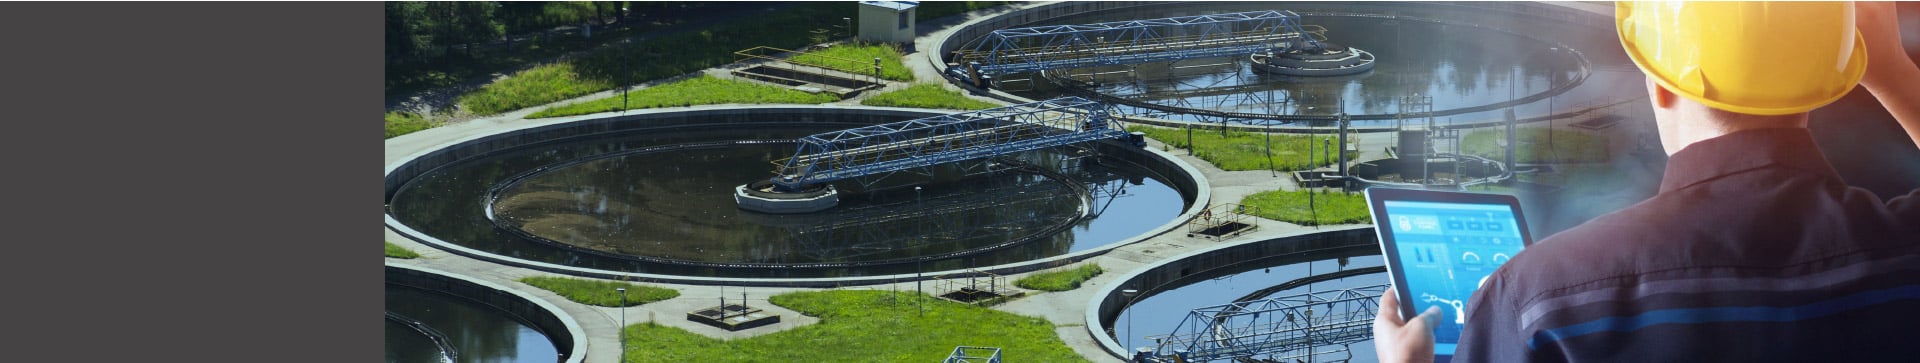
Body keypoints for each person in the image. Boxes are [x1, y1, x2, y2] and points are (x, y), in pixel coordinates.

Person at [1374, 2, 1920, 362]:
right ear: (1824, 82)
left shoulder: (1538, 299)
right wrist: (1893, 70)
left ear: (1658, 85)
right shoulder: (1904, 250)